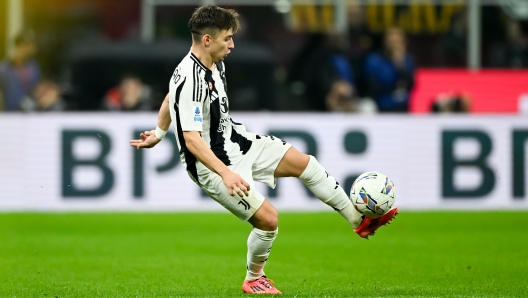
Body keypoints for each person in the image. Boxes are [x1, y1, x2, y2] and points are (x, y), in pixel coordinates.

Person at [130, 5, 398, 295]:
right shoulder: (191, 78)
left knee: (304, 163)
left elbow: (171, 97)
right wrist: (226, 174)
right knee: (269, 220)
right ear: (207, 40)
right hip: (213, 166)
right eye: (227, 39)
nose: (232, 45)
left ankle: (358, 221)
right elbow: (192, 139)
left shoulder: (212, 62)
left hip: (237, 141)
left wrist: (158, 132)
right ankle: (254, 278)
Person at [364, 27, 415, 112]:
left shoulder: (407, 60)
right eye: (392, 41)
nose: (395, 45)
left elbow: (411, 84)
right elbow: (371, 87)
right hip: (380, 107)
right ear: (385, 42)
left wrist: (399, 64)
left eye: (398, 42)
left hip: (403, 107)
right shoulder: (374, 60)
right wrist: (395, 88)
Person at [0, 31, 40, 111]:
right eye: (29, 45)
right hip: (10, 115)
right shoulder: (4, 68)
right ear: (20, 46)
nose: (33, 48)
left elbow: (36, 89)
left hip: (30, 113)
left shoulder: (34, 66)